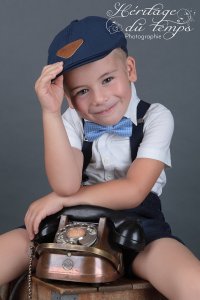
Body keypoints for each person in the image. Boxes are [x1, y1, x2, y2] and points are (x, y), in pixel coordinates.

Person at [0, 16, 200, 299]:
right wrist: (50, 113)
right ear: (69, 97)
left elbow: (134, 191)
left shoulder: (155, 117)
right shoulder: (71, 120)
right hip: (68, 223)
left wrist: (63, 199)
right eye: (82, 91)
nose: (99, 98)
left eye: (107, 79)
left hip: (139, 227)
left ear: (130, 69)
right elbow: (66, 184)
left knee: (193, 283)